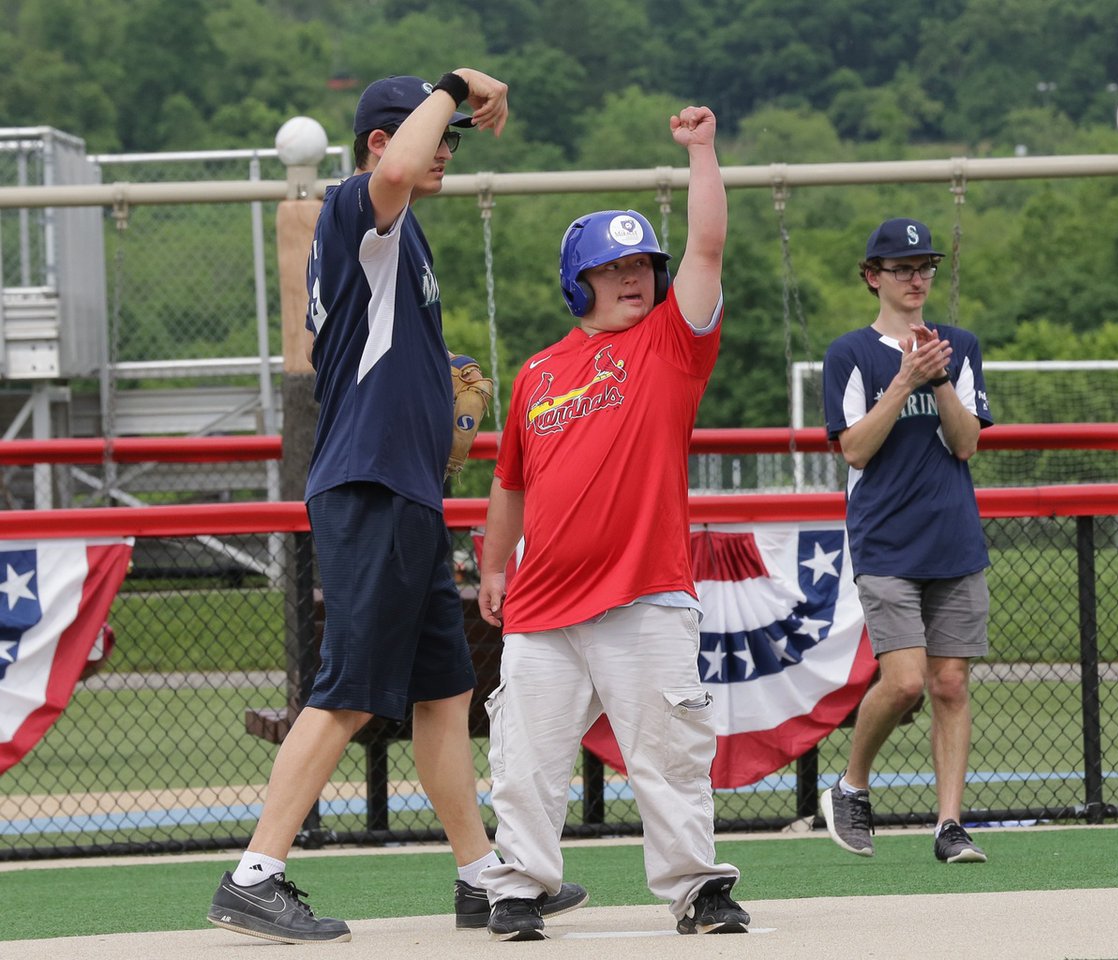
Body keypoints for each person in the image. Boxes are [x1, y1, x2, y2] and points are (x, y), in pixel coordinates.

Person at [207, 70, 586, 944]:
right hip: (368, 484)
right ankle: (254, 874)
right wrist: (453, 85)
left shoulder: (403, 238)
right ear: (382, 144)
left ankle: (479, 876)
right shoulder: (357, 208)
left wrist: (442, 417)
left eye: (451, 134)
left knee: (445, 696)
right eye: (434, 136)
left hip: (407, 488)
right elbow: (392, 171)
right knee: (346, 689)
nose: (446, 151)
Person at [476, 105, 750, 941]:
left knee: (669, 756)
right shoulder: (537, 372)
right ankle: (518, 889)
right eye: (614, 266)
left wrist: (702, 151)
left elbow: (705, 247)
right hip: (542, 605)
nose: (636, 277)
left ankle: (697, 890)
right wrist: (493, 567)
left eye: (642, 264)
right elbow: (509, 483)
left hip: (643, 594)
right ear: (578, 281)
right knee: (525, 763)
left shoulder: (672, 344)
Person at [819, 217, 994, 864]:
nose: (917, 278)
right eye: (902, 268)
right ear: (873, 278)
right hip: (886, 540)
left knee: (950, 684)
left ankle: (950, 825)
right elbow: (856, 450)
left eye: (925, 267)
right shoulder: (850, 353)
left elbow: (967, 442)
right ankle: (852, 785)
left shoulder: (961, 345)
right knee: (907, 683)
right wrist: (904, 379)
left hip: (954, 537)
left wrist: (939, 375)